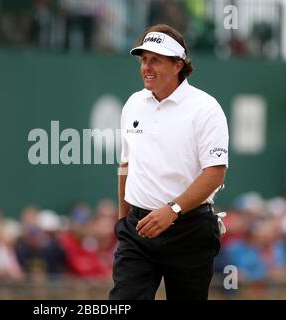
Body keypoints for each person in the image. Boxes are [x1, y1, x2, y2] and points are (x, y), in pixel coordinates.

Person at [109, 24, 229, 300]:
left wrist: (172, 210)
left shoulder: (205, 108)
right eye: (143, 60)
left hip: (189, 229)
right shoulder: (133, 104)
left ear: (178, 65)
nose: (146, 68)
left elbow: (215, 173)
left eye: (156, 60)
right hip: (138, 229)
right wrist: (122, 219)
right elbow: (126, 164)